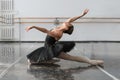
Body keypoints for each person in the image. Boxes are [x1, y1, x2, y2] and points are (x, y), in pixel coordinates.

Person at [25, 9, 104, 65]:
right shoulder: (64, 24)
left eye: (69, 24)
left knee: (72, 58)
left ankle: (92, 62)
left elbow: (45, 30)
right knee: (32, 60)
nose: (68, 22)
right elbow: (72, 19)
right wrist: (82, 14)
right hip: (47, 48)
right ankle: (49, 60)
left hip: (52, 50)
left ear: (66, 28)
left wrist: (34, 26)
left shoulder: (58, 33)